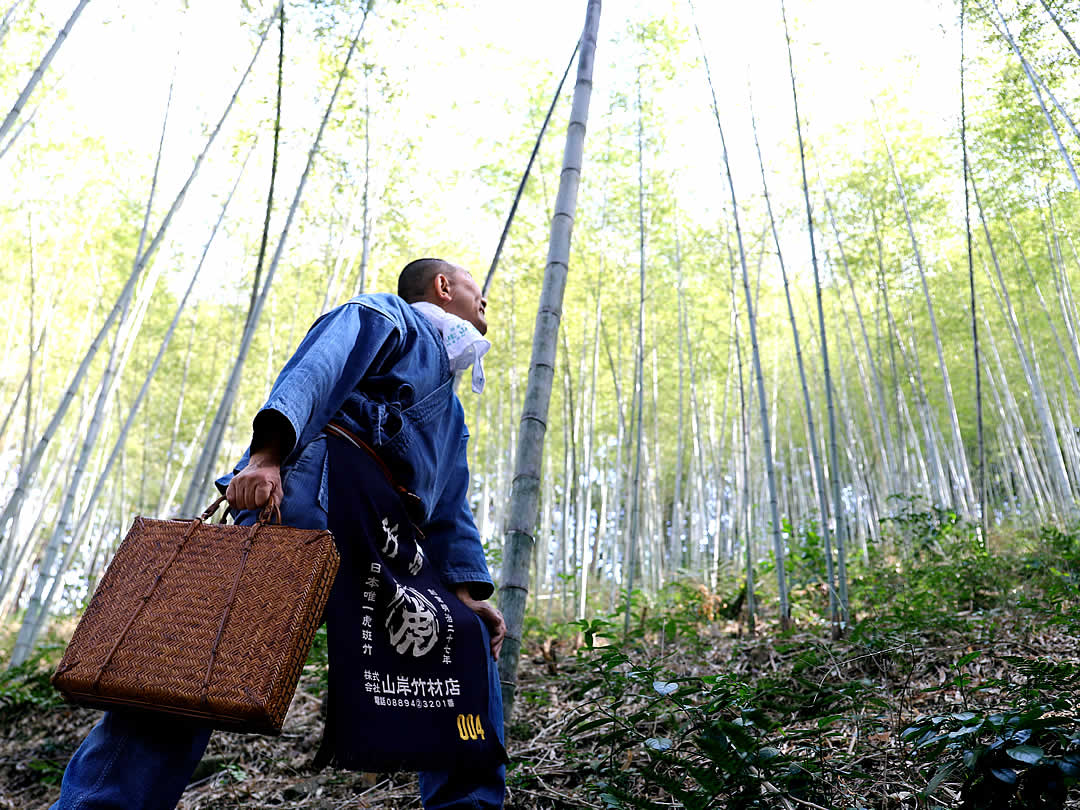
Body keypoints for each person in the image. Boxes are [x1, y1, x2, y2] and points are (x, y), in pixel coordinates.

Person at [51, 259, 507, 810]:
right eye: (474, 287)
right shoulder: (389, 316)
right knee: (199, 649)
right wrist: (266, 458)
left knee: (463, 640)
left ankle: (470, 805)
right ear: (442, 286)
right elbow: (319, 369)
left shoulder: (452, 410)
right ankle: (104, 803)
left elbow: (449, 504)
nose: (485, 299)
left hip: (390, 536)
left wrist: (465, 590)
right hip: (316, 488)